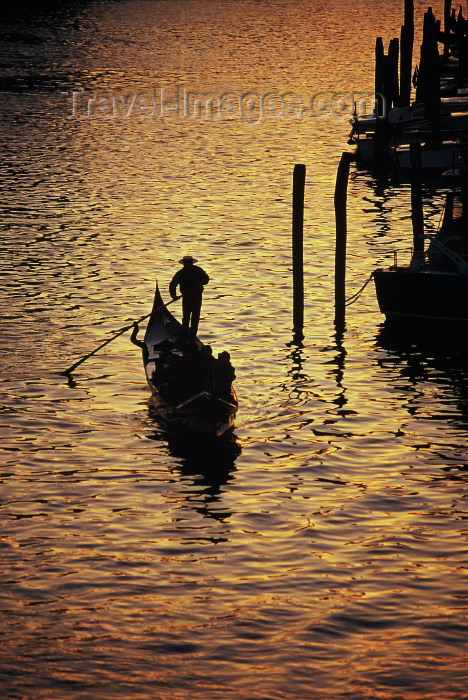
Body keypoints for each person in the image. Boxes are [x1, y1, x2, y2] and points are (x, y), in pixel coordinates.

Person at [169, 255, 209, 341]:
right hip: (188, 297)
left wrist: (202, 282)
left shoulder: (197, 270)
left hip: (196, 297)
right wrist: (174, 296)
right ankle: (186, 336)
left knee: (192, 317)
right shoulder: (182, 273)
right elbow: (172, 285)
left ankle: (189, 337)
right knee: (188, 317)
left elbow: (206, 279)